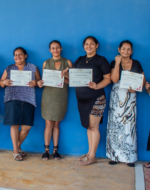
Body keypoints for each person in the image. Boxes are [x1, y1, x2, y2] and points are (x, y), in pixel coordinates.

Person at [63, 36, 111, 165]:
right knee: (89, 127)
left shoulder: (101, 60)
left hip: (97, 98)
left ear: (97, 45)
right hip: (82, 100)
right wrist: (65, 75)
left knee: (93, 127)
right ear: (83, 46)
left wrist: (97, 86)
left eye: (91, 44)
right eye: (86, 44)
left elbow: (108, 79)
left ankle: (92, 156)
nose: (88, 46)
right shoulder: (79, 60)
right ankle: (90, 152)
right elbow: (73, 79)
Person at [106, 40, 145, 167]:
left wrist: (137, 87)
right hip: (117, 96)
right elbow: (114, 79)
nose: (126, 51)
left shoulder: (137, 63)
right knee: (115, 125)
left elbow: (142, 79)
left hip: (130, 96)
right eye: (123, 49)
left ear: (132, 51)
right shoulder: (114, 62)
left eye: (128, 49)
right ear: (119, 49)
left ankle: (130, 157)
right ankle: (114, 155)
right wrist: (117, 63)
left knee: (129, 125)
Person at [0, 47, 41, 161]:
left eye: (20, 54)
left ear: (25, 55)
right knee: (15, 125)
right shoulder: (9, 68)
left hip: (28, 99)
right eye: (15, 55)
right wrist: (4, 82)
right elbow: (0, 83)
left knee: (26, 127)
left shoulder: (33, 67)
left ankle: (16, 147)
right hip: (12, 98)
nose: (17, 57)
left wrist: (35, 83)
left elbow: (39, 81)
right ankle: (16, 152)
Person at [37, 40, 72, 160]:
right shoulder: (45, 63)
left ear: (61, 48)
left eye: (57, 48)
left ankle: (55, 150)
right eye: (53, 48)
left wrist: (65, 76)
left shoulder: (67, 62)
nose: (55, 50)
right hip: (48, 96)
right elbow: (44, 81)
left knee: (57, 123)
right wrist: (40, 83)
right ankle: (46, 150)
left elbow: (72, 82)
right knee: (48, 123)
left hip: (61, 96)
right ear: (49, 50)